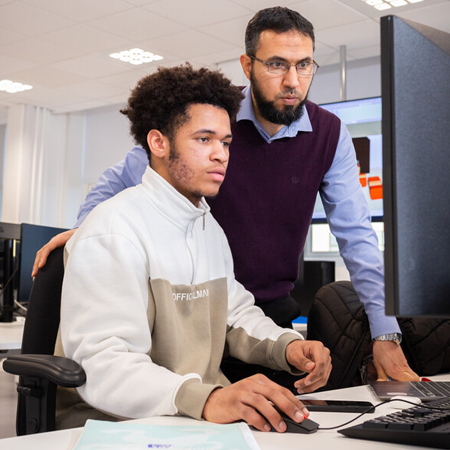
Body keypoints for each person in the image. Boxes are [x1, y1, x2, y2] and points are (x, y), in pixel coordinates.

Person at [36, 7, 418, 383]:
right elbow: (122, 177)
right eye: (277, 65)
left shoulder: (329, 134)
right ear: (247, 65)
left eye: (304, 65)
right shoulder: (212, 114)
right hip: (184, 312)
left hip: (255, 316)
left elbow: (357, 237)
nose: (293, 81)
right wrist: (86, 233)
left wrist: (384, 333)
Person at [54, 64, 332, 432]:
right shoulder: (113, 230)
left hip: (193, 420)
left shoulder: (206, 226)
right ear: (158, 143)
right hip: (116, 424)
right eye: (204, 139)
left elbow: (234, 315)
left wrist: (287, 346)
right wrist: (207, 398)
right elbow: (103, 364)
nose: (221, 154)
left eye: (226, 142)